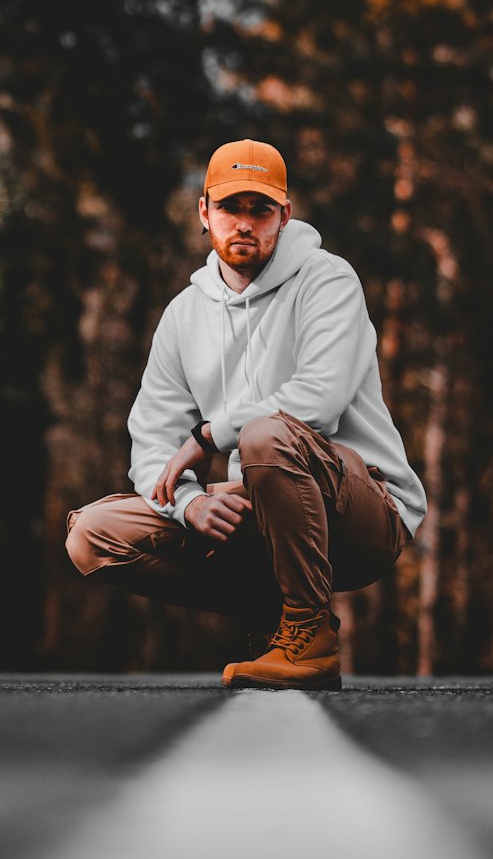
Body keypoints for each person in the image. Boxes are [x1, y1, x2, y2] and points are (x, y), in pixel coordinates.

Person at [65, 138, 425, 688]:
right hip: (263, 509)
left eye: (261, 209)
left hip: (361, 509)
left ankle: (308, 635)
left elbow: (320, 401)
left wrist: (211, 436)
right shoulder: (185, 315)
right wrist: (187, 504)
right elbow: (153, 443)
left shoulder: (328, 281)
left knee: (264, 436)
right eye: (231, 207)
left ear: (285, 215)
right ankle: (269, 620)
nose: (245, 223)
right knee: (93, 533)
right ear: (204, 213)